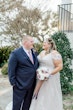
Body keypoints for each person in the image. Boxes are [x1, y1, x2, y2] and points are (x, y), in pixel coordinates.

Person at [29, 37, 63, 110]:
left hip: (50, 78)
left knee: (48, 94)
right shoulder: (42, 52)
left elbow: (60, 67)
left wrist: (48, 73)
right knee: (39, 94)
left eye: (45, 42)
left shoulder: (55, 53)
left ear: (50, 44)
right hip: (39, 76)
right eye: (43, 42)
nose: (43, 43)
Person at [8, 35, 39, 110]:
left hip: (32, 85)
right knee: (16, 106)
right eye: (31, 41)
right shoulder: (15, 53)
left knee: (27, 105)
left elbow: (35, 66)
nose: (33, 43)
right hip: (20, 85)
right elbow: (11, 70)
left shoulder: (34, 53)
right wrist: (14, 83)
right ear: (25, 42)